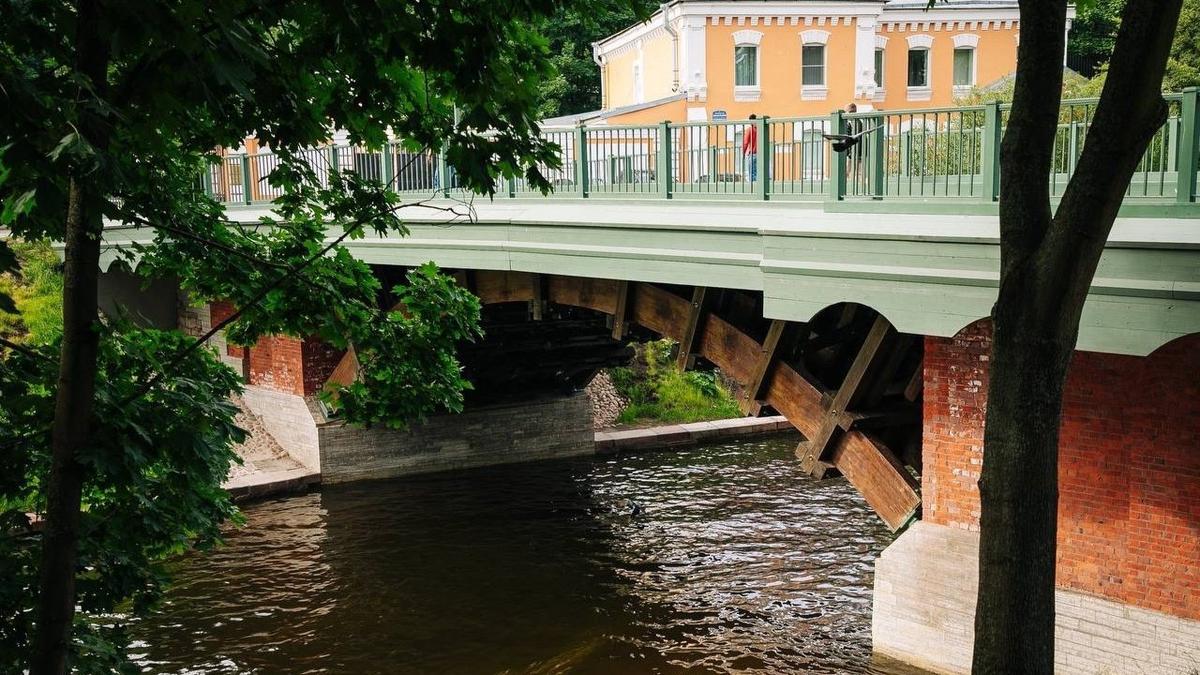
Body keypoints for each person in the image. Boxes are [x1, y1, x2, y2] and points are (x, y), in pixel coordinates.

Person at [742, 113, 758, 182]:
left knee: (752, 173)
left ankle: (753, 190)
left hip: (753, 154)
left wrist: (743, 153)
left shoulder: (749, 130)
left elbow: (745, 143)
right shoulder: (761, 129)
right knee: (759, 173)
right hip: (761, 154)